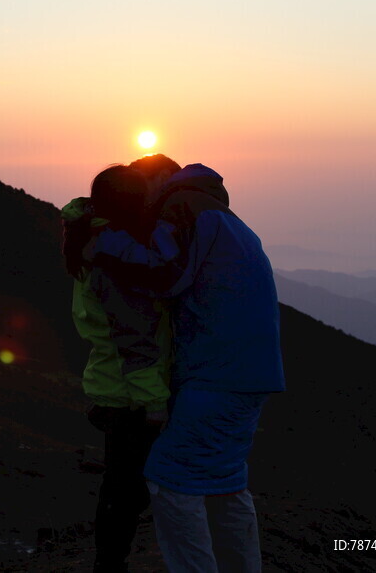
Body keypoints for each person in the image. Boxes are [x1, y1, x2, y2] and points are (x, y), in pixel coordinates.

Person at [89, 155, 286, 573]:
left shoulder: (181, 205)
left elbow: (163, 271)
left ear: (161, 178)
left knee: (169, 477)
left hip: (216, 373)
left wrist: (102, 244)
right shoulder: (222, 213)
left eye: (142, 186)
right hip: (254, 372)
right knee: (225, 481)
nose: (143, 202)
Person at [62, 164, 172, 573]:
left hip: (113, 385)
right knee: (126, 492)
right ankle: (109, 566)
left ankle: (109, 563)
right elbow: (134, 337)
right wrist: (154, 402)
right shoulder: (114, 252)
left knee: (122, 488)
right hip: (130, 394)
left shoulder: (95, 239)